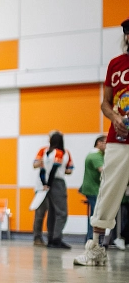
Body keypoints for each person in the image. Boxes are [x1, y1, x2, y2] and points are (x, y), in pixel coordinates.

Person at [75, 17, 129, 266]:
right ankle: (95, 248)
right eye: (127, 33)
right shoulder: (116, 65)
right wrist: (115, 117)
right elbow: (105, 103)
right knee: (109, 189)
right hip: (119, 138)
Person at [33, 131, 74, 249]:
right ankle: (56, 239)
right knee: (61, 212)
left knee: (51, 212)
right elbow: (56, 169)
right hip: (56, 182)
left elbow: (41, 168)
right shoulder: (61, 153)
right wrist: (49, 184)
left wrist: (45, 183)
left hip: (44, 183)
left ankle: (50, 238)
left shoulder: (46, 152)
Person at [80, 136, 106, 241]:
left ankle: (92, 238)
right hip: (94, 188)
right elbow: (103, 170)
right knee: (96, 215)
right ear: (99, 143)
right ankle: (92, 239)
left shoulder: (95, 154)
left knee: (94, 214)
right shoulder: (95, 156)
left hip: (92, 188)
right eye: (106, 143)